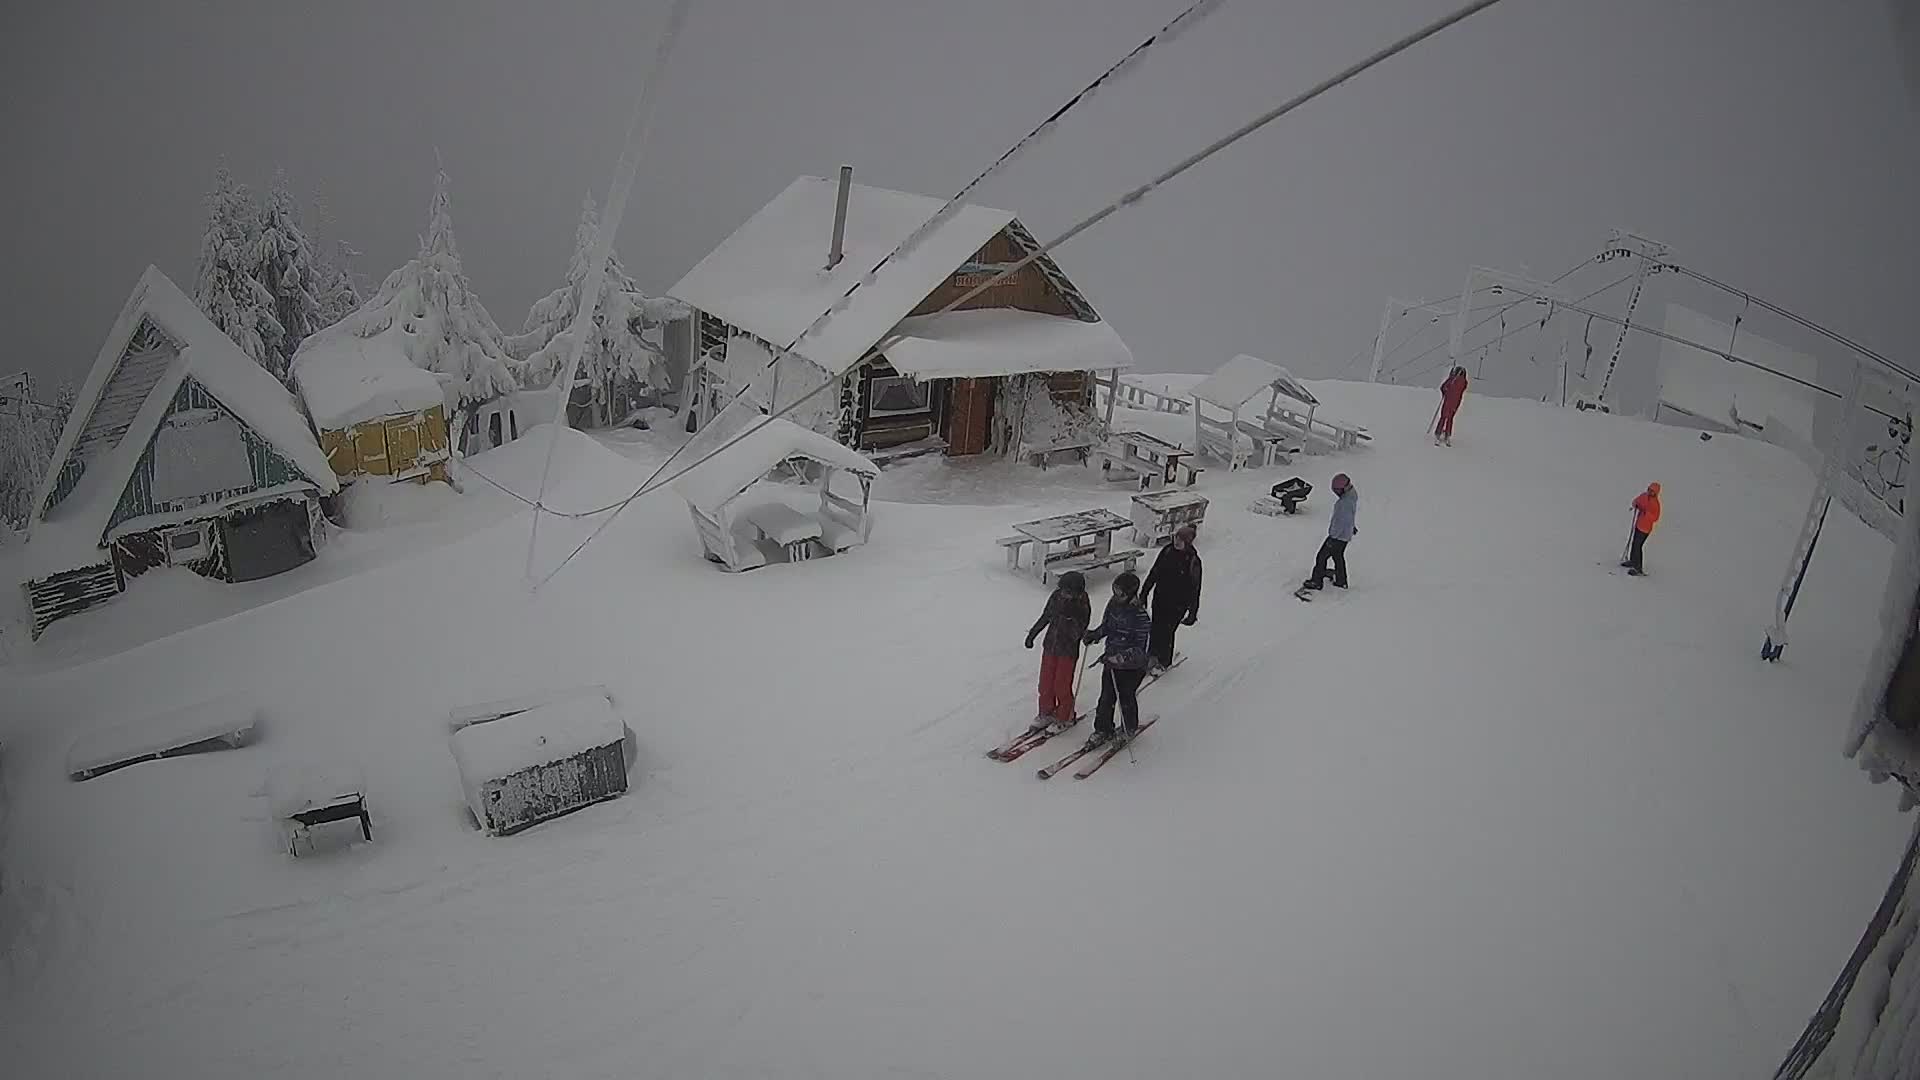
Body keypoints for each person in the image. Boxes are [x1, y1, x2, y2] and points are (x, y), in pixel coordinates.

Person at [1083, 571, 1153, 746]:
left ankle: (1129, 728)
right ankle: (1103, 729)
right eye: (1114, 590)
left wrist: (1121, 657)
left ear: (1130, 594)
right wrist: (1095, 634)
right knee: (1106, 697)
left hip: (1132, 667)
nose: (1116, 595)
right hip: (1111, 661)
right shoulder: (1113, 604)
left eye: (1120, 593)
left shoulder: (1140, 616)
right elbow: (1107, 626)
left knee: (1126, 697)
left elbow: (1139, 649)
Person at [1024, 571, 1092, 732]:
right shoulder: (1057, 597)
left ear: (1077, 591)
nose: (1063, 594)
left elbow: (1080, 629)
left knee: (1061, 685)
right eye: (1062, 590)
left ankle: (1065, 716)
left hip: (1067, 651)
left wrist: (1071, 616)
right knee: (1045, 682)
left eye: (1067, 592)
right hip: (1051, 645)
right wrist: (1033, 633)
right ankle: (1046, 712)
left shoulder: (1082, 603)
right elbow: (1046, 616)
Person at [1140, 524, 1202, 671]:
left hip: (1178, 604)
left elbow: (1195, 588)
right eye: (1176, 538)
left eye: (1180, 541)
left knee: (1167, 631)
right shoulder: (1167, 551)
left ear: (1187, 543)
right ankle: (1152, 656)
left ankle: (1164, 661)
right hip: (1160, 598)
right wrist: (1144, 593)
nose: (1176, 542)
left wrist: (1192, 612)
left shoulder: (1193, 561)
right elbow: (1154, 572)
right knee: (1155, 628)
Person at [1302, 473, 1358, 591]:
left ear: (1343, 489)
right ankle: (1341, 581)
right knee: (1338, 556)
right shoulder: (1351, 496)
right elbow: (1349, 517)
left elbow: (1341, 521)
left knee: (1321, 556)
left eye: (1337, 490)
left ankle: (1316, 581)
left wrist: (1332, 538)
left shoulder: (1344, 504)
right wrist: (1351, 527)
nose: (1336, 493)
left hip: (1337, 537)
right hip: (1344, 536)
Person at [1622, 482, 1662, 576]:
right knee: (1634, 543)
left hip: (1645, 529)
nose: (1650, 492)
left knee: (1638, 546)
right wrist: (1635, 504)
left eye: (1652, 491)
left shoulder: (1656, 504)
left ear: (1656, 493)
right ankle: (1632, 561)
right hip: (1638, 525)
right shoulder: (1644, 496)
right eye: (1649, 490)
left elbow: (1655, 517)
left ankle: (1638, 568)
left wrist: (1646, 513)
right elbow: (1637, 501)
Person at [1435, 366, 1469, 446]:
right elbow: (1462, 389)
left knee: (1444, 417)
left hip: (1449, 401)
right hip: (1455, 403)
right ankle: (1447, 433)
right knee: (1449, 418)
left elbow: (1443, 387)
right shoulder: (1463, 382)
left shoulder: (1452, 379)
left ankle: (1439, 432)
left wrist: (1445, 392)